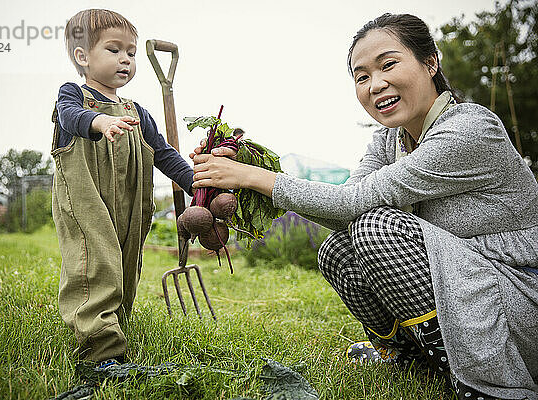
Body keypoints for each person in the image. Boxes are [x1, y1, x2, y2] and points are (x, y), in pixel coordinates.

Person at [191, 13, 538, 400]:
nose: (376, 84)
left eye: (388, 65)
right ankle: (412, 358)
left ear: (430, 62)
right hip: (468, 282)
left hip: (517, 302)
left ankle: (477, 376)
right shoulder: (390, 140)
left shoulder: (469, 130)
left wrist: (251, 177)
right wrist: (246, 171)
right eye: (361, 76)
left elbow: (352, 203)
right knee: (339, 249)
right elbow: (344, 210)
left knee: (376, 229)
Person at [51, 9, 193, 378]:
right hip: (86, 200)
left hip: (130, 202)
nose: (126, 59)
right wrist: (99, 121)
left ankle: (113, 321)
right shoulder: (74, 96)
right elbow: (69, 116)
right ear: (82, 57)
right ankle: (100, 352)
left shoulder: (137, 112)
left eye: (131, 51)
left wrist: (196, 185)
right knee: (95, 263)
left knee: (124, 262)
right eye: (114, 49)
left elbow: (163, 154)